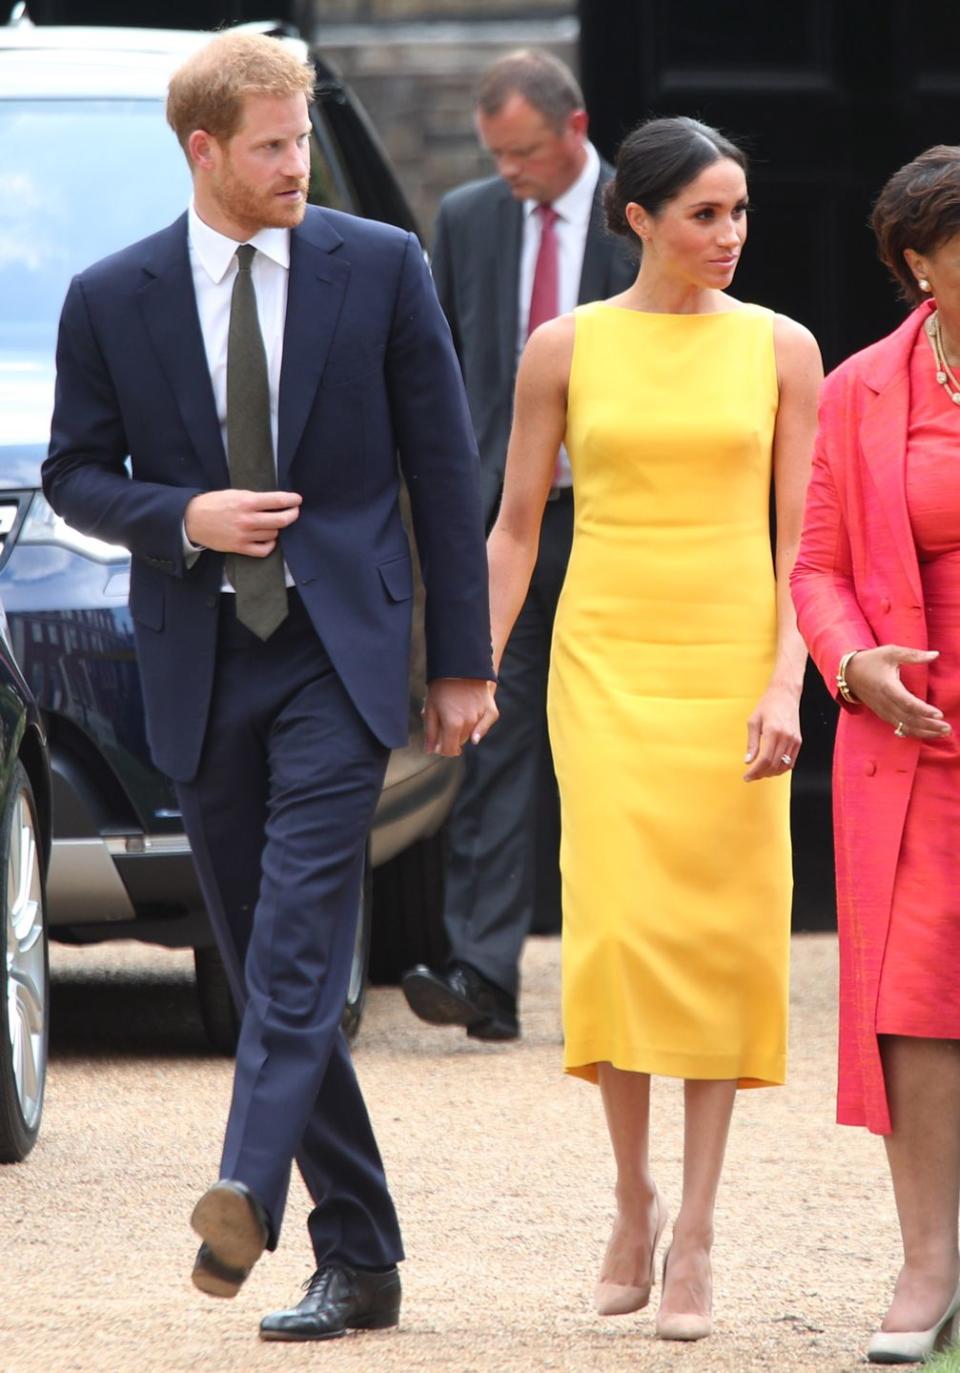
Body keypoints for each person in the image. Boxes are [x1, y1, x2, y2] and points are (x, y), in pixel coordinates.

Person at [43, 30, 496, 1344]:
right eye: (275, 146)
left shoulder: (382, 264)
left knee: (299, 938)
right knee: (263, 968)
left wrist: (462, 663)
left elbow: (444, 468)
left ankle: (246, 1182)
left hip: (339, 660)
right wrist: (187, 512)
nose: (301, 165)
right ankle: (361, 1255)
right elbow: (77, 474)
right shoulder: (111, 295)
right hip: (199, 663)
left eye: (304, 140)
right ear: (204, 151)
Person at [484, 114, 821, 1339]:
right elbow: (516, 524)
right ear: (637, 217)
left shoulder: (786, 349)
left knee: (726, 938)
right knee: (619, 932)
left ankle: (700, 1230)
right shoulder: (563, 348)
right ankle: (630, 1196)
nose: (729, 234)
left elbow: (807, 544)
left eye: (739, 212)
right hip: (608, 664)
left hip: (736, 662)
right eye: (704, 214)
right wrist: (471, 665)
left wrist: (788, 682)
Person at [401, 49, 635, 1042]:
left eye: (526, 153)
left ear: (575, 131)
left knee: (618, 741)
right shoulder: (467, 218)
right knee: (490, 724)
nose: (510, 173)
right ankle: (483, 974)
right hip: (506, 520)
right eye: (497, 154)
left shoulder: (649, 211)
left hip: (621, 516)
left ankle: (622, 970)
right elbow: (441, 362)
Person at [792, 145, 960, 1365]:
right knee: (914, 1000)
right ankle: (929, 1260)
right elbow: (818, 568)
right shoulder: (859, 389)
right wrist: (853, 667)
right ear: (919, 265)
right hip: (921, 733)